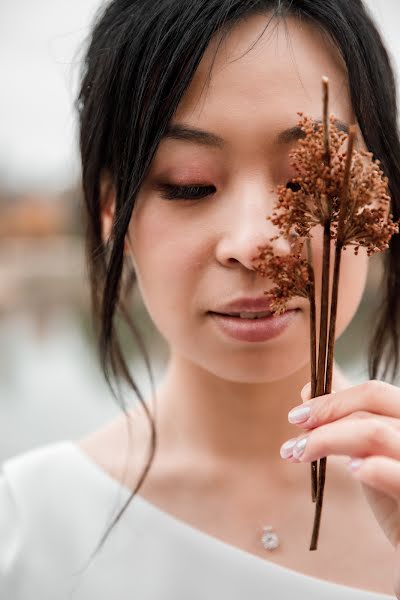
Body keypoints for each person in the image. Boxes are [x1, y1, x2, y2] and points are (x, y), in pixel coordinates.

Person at [1, 0, 400, 598]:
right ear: (113, 212)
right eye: (189, 184)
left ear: (377, 196)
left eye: (304, 178)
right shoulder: (25, 530)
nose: (253, 242)